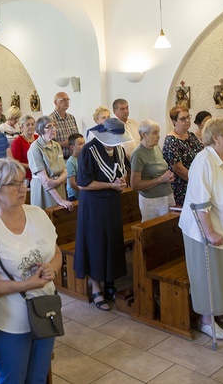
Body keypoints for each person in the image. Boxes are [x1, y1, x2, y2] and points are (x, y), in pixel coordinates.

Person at [0, 158, 61, 383]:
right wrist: (25, 285)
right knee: (13, 378)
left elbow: (56, 253)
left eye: (23, 182)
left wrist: (52, 267)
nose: (22, 188)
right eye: (13, 184)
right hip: (9, 322)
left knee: (38, 377)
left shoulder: (37, 214)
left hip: (44, 311)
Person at [180, 118, 223, 340]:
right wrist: (209, 232)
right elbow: (199, 202)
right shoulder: (203, 161)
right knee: (209, 275)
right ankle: (206, 320)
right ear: (215, 137)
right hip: (203, 228)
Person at [74, 118, 131, 311]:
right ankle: (96, 287)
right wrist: (111, 185)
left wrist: (123, 181)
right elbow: (83, 183)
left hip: (112, 203)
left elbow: (124, 171)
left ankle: (109, 283)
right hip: (94, 205)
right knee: (96, 243)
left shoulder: (119, 149)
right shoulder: (89, 151)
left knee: (112, 243)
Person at [130, 120, 175, 221]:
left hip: (167, 195)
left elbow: (160, 170)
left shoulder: (156, 148)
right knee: (156, 233)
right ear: (144, 135)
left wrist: (168, 176)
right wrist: (161, 179)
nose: (158, 136)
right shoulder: (138, 154)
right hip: (152, 201)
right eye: (155, 133)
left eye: (158, 132)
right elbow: (135, 185)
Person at [28, 116, 73, 210]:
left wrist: (57, 181)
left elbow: (65, 170)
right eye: (49, 127)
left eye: (54, 126)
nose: (53, 129)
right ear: (40, 130)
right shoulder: (35, 148)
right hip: (43, 189)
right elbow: (45, 181)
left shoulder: (56, 145)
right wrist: (60, 200)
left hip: (57, 185)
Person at [163, 106, 204, 207]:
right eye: (182, 119)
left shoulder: (192, 136)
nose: (187, 120)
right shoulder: (171, 140)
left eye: (188, 117)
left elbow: (203, 154)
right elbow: (178, 168)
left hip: (198, 181)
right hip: (183, 185)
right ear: (174, 122)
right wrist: (196, 181)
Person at [50, 92, 79, 159]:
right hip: (59, 159)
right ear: (55, 102)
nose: (66, 102)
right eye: (63, 99)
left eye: (68, 99)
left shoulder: (71, 118)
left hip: (74, 158)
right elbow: (47, 143)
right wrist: (63, 144)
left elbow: (77, 137)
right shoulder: (50, 120)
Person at [11, 115, 37, 187]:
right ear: (21, 127)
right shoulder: (18, 141)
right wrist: (32, 166)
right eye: (27, 125)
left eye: (32, 124)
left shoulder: (38, 138)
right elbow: (15, 162)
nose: (31, 127)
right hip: (25, 177)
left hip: (39, 175)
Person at [66, 133, 84, 202]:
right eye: (80, 144)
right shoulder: (70, 162)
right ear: (72, 147)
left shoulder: (84, 158)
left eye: (83, 143)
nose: (83, 146)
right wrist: (84, 191)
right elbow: (72, 184)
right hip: (74, 195)